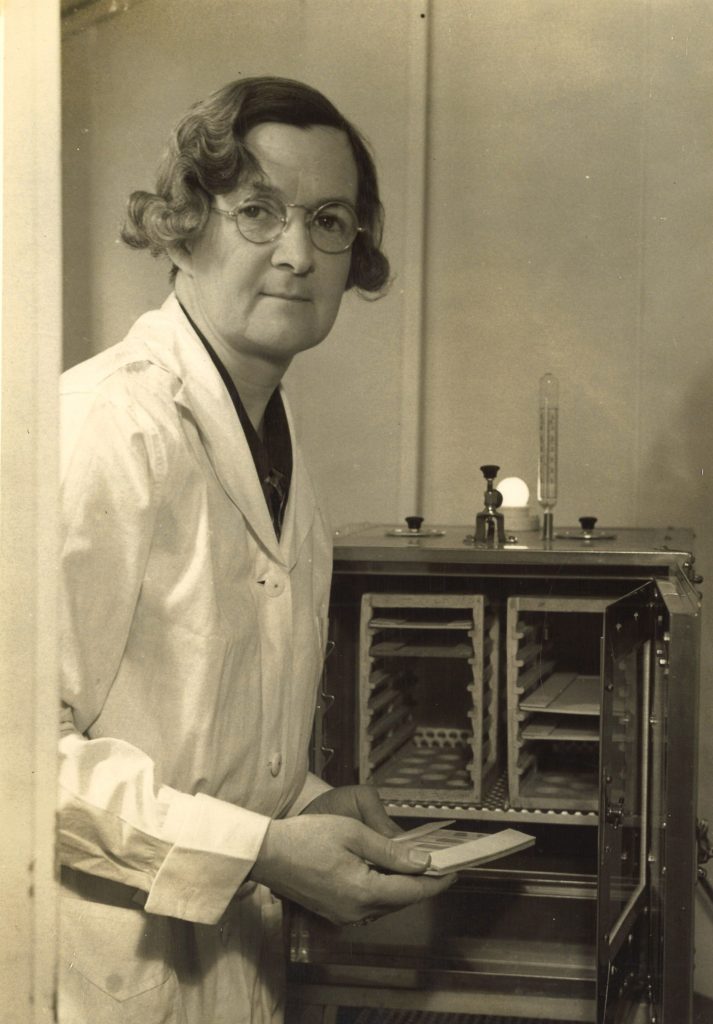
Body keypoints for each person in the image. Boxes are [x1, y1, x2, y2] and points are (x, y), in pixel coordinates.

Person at [57, 75, 454, 1024]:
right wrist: (264, 852)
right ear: (183, 223)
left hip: (228, 971)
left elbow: (200, 729)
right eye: (258, 210)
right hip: (92, 976)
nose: (296, 254)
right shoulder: (103, 429)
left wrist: (307, 805)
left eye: (328, 221)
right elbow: (18, 759)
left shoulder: (272, 442)